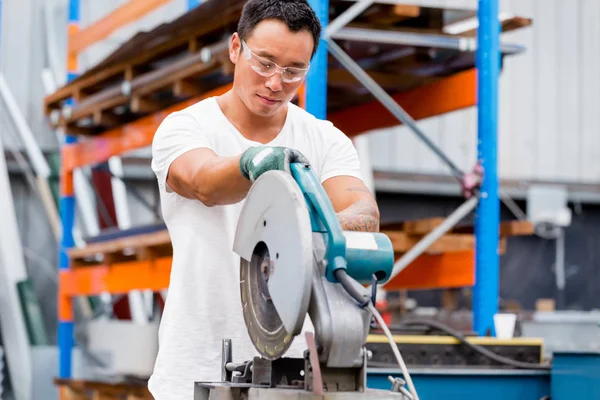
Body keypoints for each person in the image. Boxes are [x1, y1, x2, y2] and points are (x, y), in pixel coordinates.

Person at [148, 0, 380, 398]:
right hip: (194, 368)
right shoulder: (186, 128)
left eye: (294, 71)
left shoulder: (325, 141)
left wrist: (305, 231)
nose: (276, 82)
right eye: (265, 62)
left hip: (298, 376)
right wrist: (253, 163)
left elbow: (364, 212)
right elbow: (202, 182)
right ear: (236, 48)